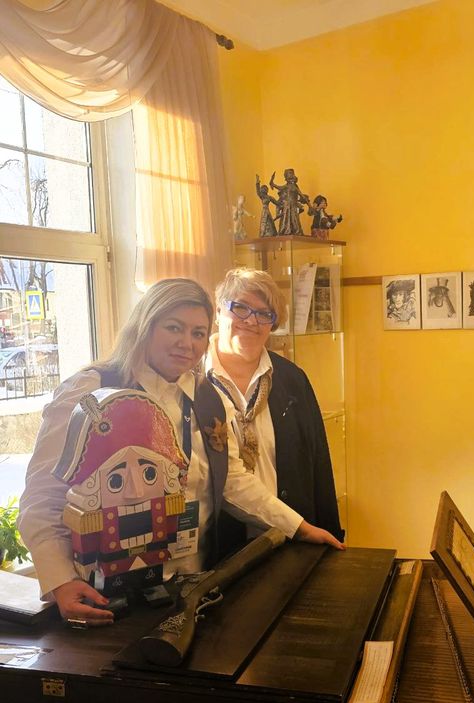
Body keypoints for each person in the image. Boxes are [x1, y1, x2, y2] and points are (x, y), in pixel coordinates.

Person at [18, 278, 343, 626]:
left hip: (192, 585)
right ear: (146, 324)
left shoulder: (206, 398)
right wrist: (61, 580)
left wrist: (299, 527)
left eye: (198, 333)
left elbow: (232, 480)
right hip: (103, 593)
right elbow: (43, 496)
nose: (187, 343)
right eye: (174, 328)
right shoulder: (92, 391)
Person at [203, 268, 344, 553]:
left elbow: (318, 466)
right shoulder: (193, 381)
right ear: (218, 311)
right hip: (219, 549)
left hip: (291, 543)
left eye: (264, 314)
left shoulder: (293, 380)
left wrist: (329, 536)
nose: (251, 321)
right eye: (240, 307)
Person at [269, 168, 310, 235]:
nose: (291, 175)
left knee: (294, 218)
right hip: (287, 205)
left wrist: (309, 205)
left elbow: (301, 195)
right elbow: (278, 187)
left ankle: (296, 231)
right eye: (289, 173)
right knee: (286, 218)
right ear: (286, 176)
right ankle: (285, 231)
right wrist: (272, 182)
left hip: (293, 205)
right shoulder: (286, 186)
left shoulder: (295, 186)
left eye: (292, 173)